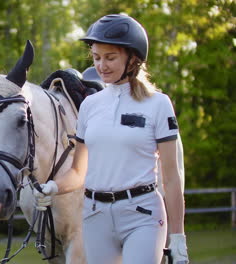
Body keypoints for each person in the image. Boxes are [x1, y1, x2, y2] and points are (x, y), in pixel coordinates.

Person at [34, 14, 189, 264]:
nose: (101, 66)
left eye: (110, 57)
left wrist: (178, 236)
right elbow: (78, 171)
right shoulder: (90, 105)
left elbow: (171, 179)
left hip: (142, 215)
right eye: (96, 58)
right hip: (96, 217)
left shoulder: (158, 105)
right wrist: (53, 186)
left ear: (133, 59)